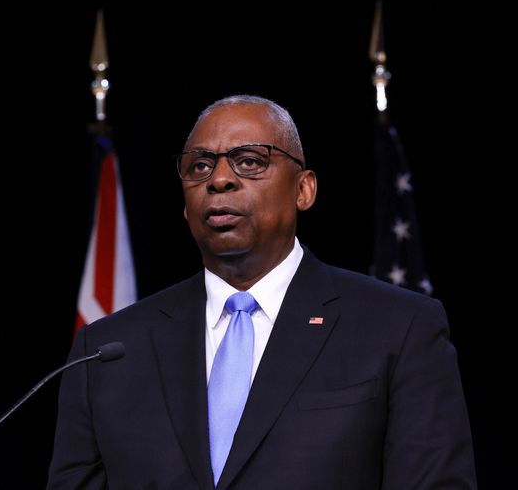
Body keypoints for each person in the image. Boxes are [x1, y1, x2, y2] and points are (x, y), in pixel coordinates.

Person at [46, 95, 476, 489]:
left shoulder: (399, 328)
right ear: (184, 202)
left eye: (248, 161)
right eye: (199, 166)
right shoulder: (105, 351)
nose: (218, 180)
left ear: (303, 189)